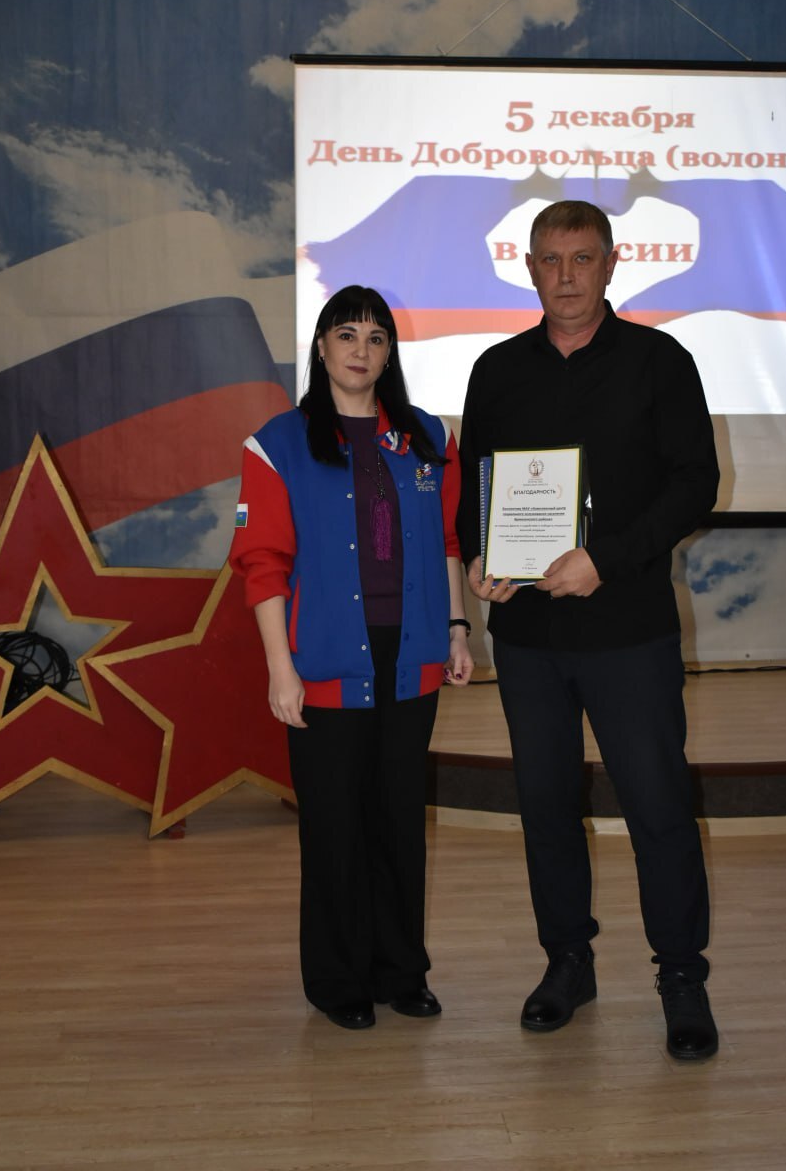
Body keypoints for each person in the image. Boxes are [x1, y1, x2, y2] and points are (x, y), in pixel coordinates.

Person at [457, 201, 720, 1061]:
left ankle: (680, 976)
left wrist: (606, 559)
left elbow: (695, 483)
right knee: (545, 809)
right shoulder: (496, 370)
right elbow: (475, 491)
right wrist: (479, 559)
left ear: (612, 264)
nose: (566, 275)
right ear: (528, 269)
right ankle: (568, 962)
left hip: (628, 629)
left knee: (658, 808)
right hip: (528, 635)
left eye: (582, 259)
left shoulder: (660, 361)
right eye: (550, 259)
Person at [230, 284, 473, 1031]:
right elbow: (262, 564)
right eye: (346, 335)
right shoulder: (278, 444)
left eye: (375, 337)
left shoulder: (429, 437)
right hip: (326, 662)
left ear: (389, 351)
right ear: (322, 347)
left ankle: (402, 972)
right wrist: (281, 668)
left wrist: (458, 628)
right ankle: (337, 982)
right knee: (334, 827)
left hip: (412, 658)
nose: (360, 350)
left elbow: (450, 542)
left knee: (398, 822)